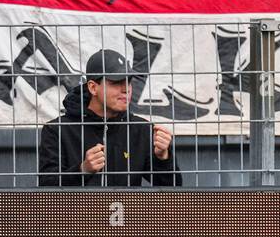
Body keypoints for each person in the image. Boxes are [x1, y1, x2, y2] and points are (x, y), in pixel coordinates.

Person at [37, 50, 181, 187]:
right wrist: (82, 170)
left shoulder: (142, 129)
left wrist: (163, 158)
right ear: (93, 88)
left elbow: (172, 191)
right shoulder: (57, 130)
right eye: (116, 82)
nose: (126, 89)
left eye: (128, 81)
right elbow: (46, 190)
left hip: (128, 213)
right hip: (79, 213)